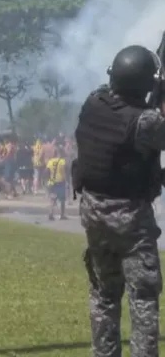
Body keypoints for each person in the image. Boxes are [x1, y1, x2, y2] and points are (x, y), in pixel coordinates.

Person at [75, 45, 165, 357]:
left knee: (104, 293)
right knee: (143, 297)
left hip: (93, 211)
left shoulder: (93, 102)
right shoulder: (146, 122)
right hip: (130, 218)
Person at [45, 147, 67, 220]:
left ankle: (51, 213)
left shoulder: (50, 161)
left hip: (51, 182)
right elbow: (63, 172)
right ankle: (62, 215)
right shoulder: (62, 161)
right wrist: (65, 180)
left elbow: (47, 172)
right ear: (60, 153)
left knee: (52, 199)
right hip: (60, 181)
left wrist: (47, 181)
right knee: (62, 199)